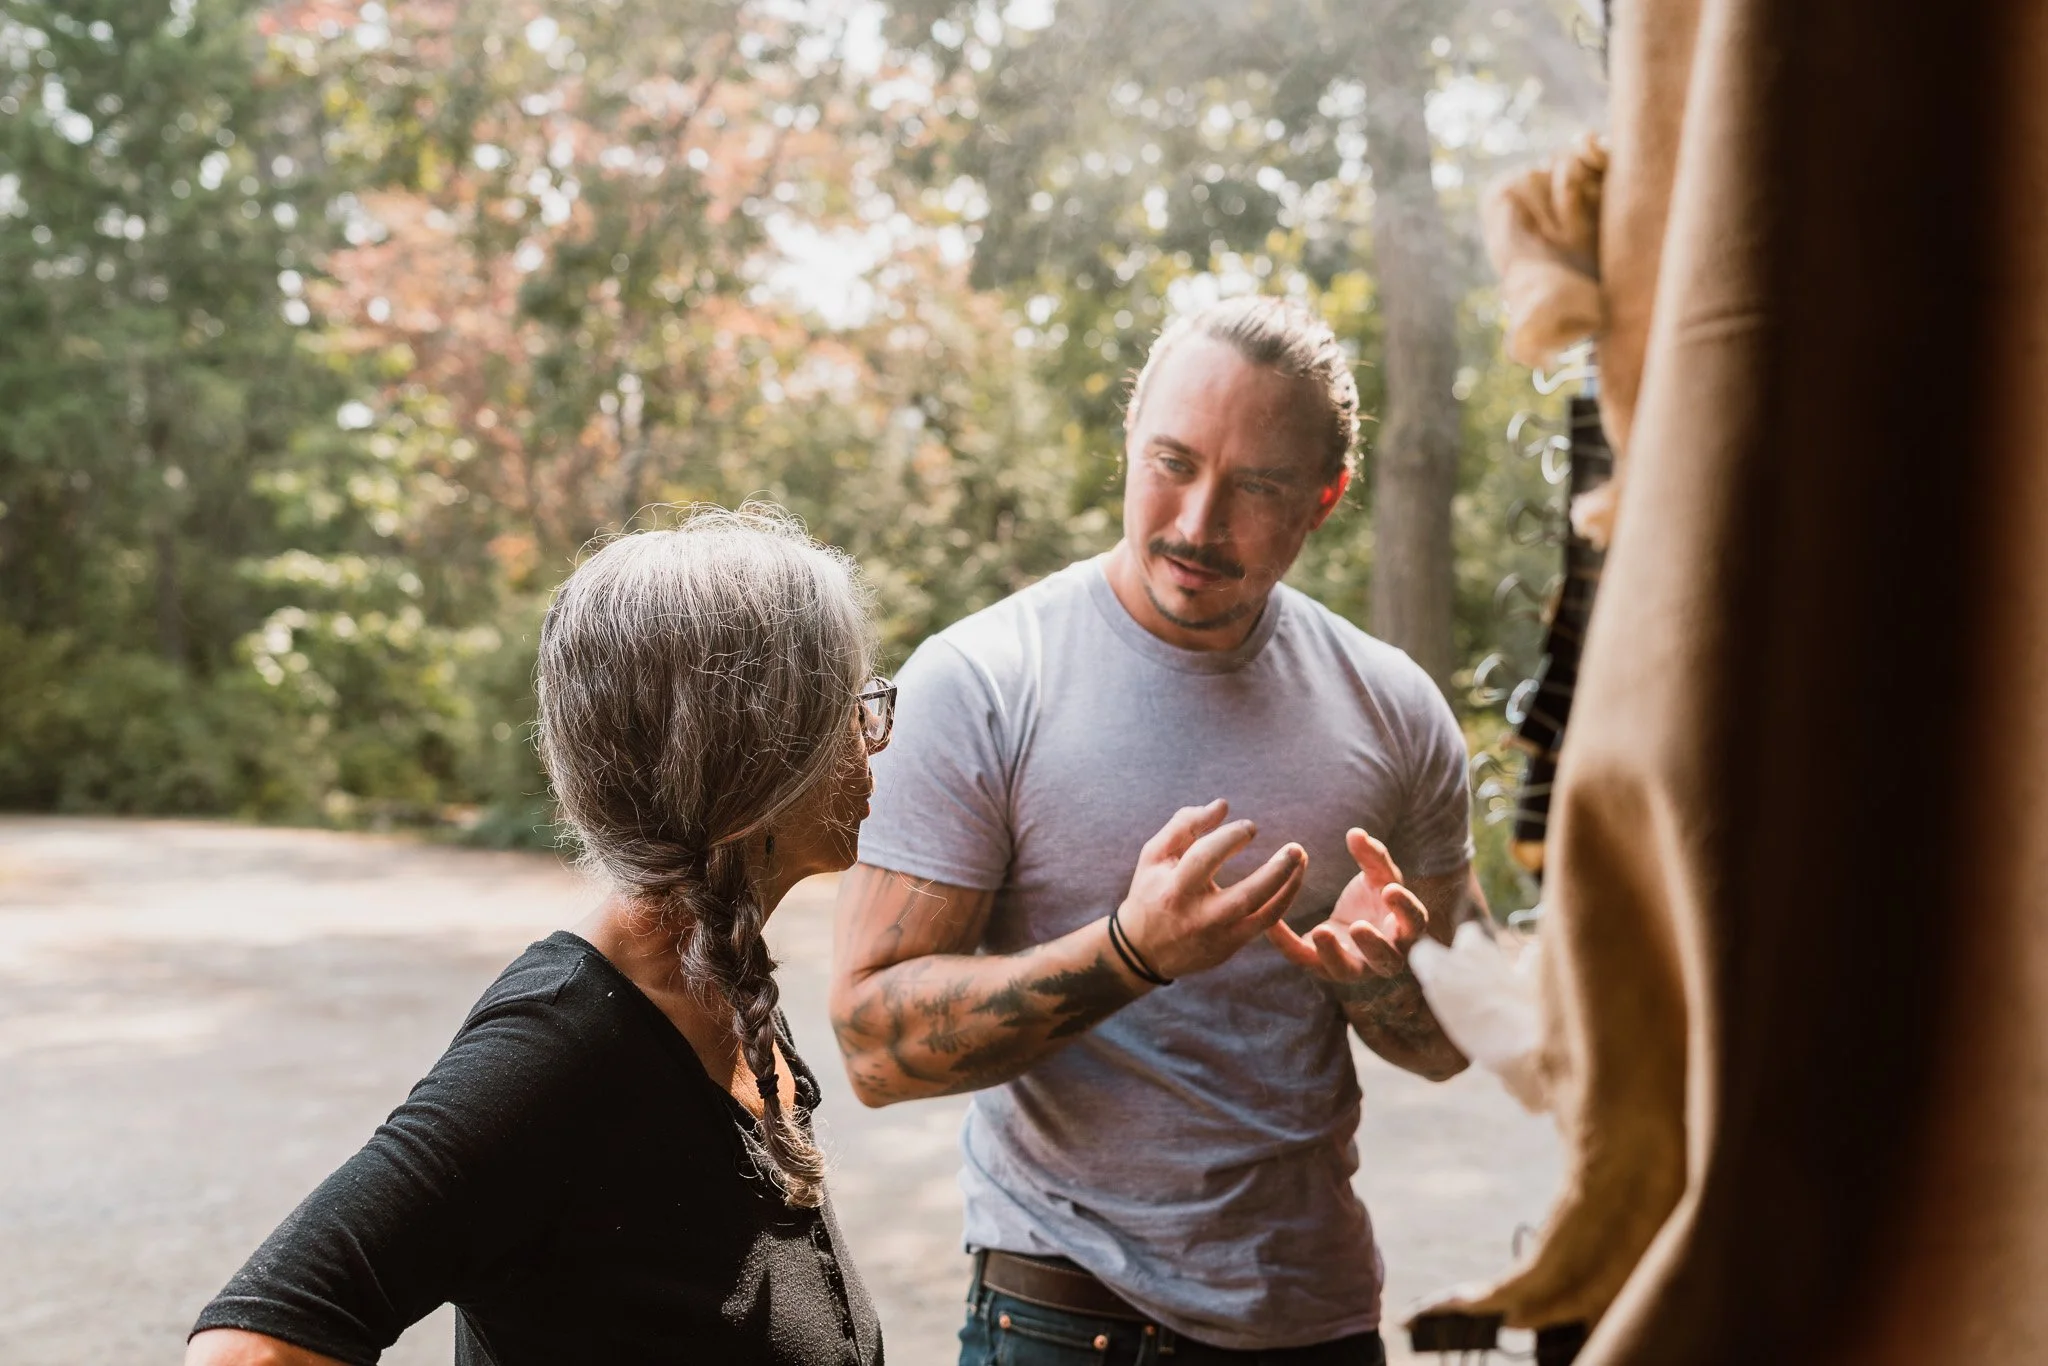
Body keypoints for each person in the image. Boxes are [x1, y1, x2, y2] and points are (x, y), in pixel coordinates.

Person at [830, 296, 1486, 1365]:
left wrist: (1379, 984)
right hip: (1063, 1319)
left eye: (1257, 486)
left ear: (1324, 499)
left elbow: (1455, 1045)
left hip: (1318, 1323)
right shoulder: (985, 681)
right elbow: (869, 1046)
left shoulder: (1393, 708)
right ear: (1128, 437)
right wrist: (1129, 955)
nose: (1195, 520)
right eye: (1171, 462)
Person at [187, 507, 894, 1366]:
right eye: (851, 709)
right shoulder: (564, 1043)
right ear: (754, 753)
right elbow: (253, 1350)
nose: (873, 742)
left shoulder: (718, 982)